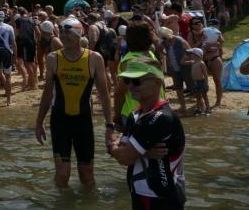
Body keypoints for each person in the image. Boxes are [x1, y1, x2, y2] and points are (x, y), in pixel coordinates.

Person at [35, 18, 113, 189]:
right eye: (62, 32)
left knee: (87, 175)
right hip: (60, 121)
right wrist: (39, 122)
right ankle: (61, 201)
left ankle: (89, 201)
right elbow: (47, 93)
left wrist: (109, 125)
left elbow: (104, 95)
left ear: (79, 34)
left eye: (68, 32)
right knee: (63, 174)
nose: (63, 36)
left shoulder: (94, 58)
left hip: (83, 122)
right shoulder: (53, 58)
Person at [109, 57, 186, 209]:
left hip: (161, 197)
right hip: (139, 193)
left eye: (137, 81)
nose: (130, 86)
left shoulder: (160, 118)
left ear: (157, 82)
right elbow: (123, 152)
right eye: (127, 81)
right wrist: (141, 152)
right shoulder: (135, 115)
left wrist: (114, 144)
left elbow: (124, 157)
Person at [185, 48, 211, 115]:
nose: (191, 55)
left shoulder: (201, 63)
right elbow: (183, 62)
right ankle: (199, 109)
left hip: (201, 81)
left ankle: (208, 109)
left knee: (205, 96)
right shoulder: (193, 62)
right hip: (195, 81)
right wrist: (186, 55)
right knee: (198, 97)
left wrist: (206, 83)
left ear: (197, 55)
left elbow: (205, 74)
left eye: (192, 54)